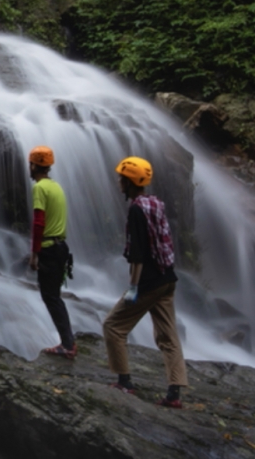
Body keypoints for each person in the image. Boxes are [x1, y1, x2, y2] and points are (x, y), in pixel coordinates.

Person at [103, 156, 188, 408]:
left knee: (113, 326)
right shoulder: (155, 203)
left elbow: (138, 255)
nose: (118, 181)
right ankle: (174, 392)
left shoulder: (136, 209)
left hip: (149, 281)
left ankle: (124, 381)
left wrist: (133, 287)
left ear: (129, 181)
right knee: (168, 335)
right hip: (167, 278)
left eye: (121, 177)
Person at [28, 145, 76, 359]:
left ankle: (67, 344)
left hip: (48, 249)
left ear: (33, 165)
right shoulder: (56, 186)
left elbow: (39, 222)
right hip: (61, 247)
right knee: (54, 297)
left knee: (50, 297)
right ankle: (68, 341)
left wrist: (34, 253)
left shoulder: (39, 188)